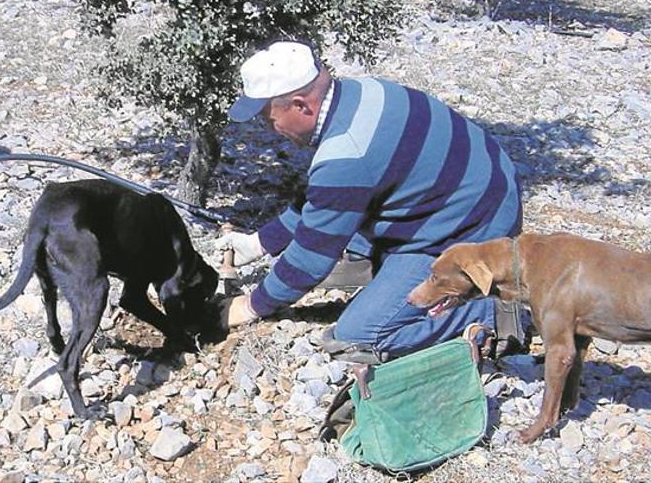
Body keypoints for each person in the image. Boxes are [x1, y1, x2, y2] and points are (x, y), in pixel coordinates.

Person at [216, 41, 524, 361]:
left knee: (358, 335)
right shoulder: (359, 92)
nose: (271, 130)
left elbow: (310, 262)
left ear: (300, 105)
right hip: (477, 191)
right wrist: (258, 243)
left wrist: (249, 306)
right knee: (318, 249)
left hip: (473, 229)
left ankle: (488, 309)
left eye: (270, 119)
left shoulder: (346, 155)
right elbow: (322, 202)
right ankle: (384, 268)